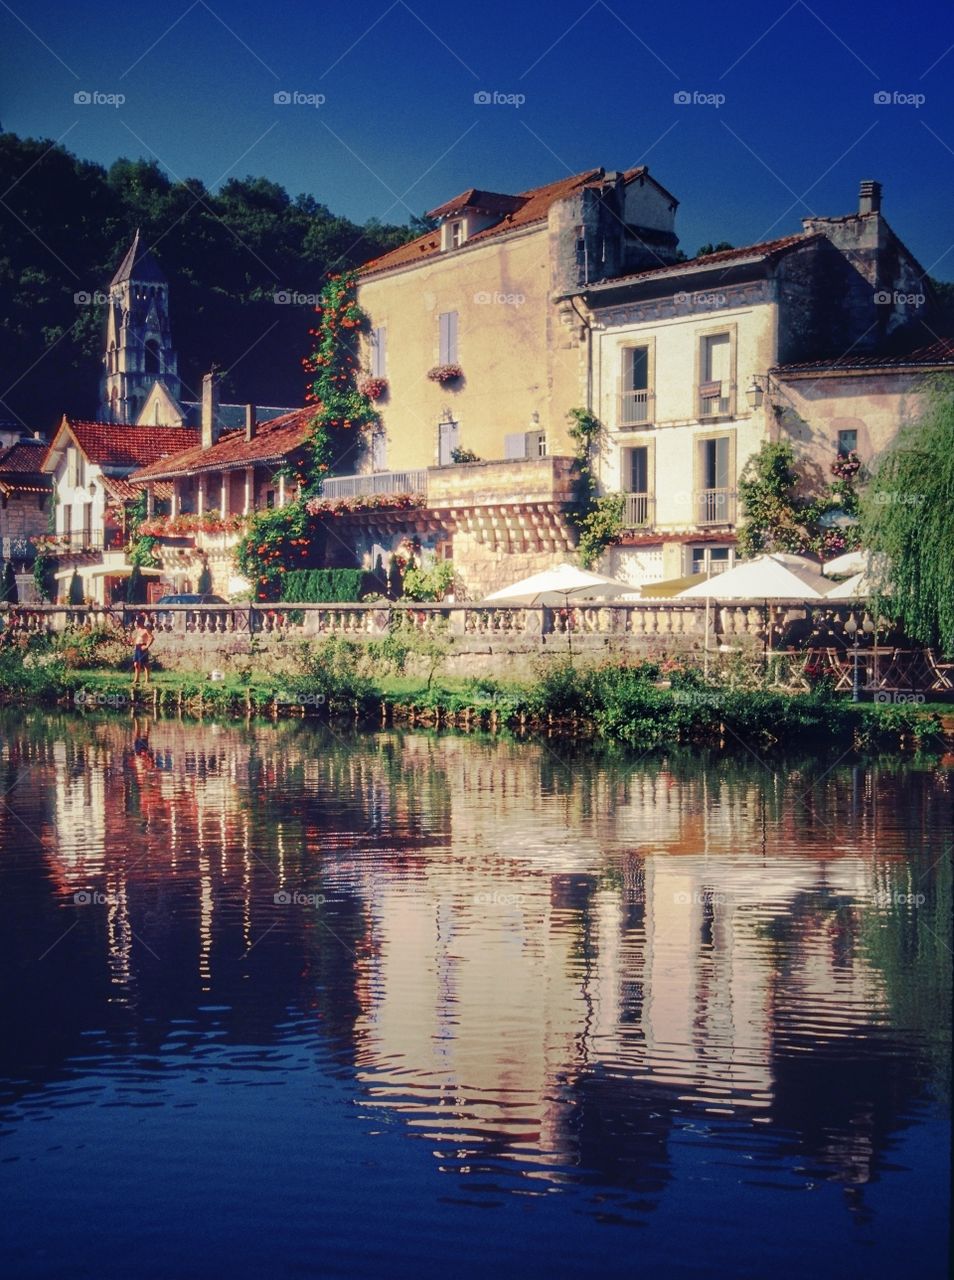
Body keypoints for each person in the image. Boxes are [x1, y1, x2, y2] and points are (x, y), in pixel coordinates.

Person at [131, 613, 154, 686]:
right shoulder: (138, 630)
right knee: (136, 664)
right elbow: (136, 639)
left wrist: (147, 646)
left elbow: (152, 638)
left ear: (141, 621)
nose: (136, 622)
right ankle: (136, 680)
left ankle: (147, 680)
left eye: (138, 621)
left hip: (143, 647)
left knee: (145, 664)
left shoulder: (145, 630)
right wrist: (132, 642)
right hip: (137, 647)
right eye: (136, 621)